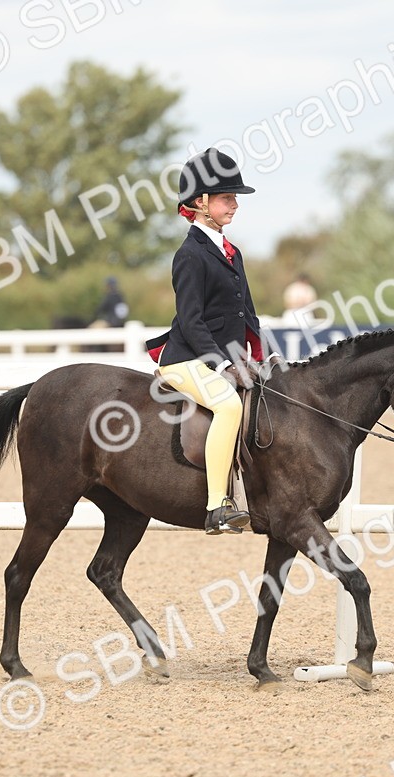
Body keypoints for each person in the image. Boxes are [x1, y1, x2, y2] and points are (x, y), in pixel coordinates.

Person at [145, 148, 269, 534]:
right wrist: (223, 363)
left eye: (234, 198)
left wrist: (262, 356)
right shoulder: (190, 255)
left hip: (223, 356)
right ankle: (218, 505)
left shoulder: (233, 252)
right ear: (200, 203)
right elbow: (192, 320)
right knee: (229, 406)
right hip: (186, 359)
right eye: (226, 198)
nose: (234, 205)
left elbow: (246, 314)